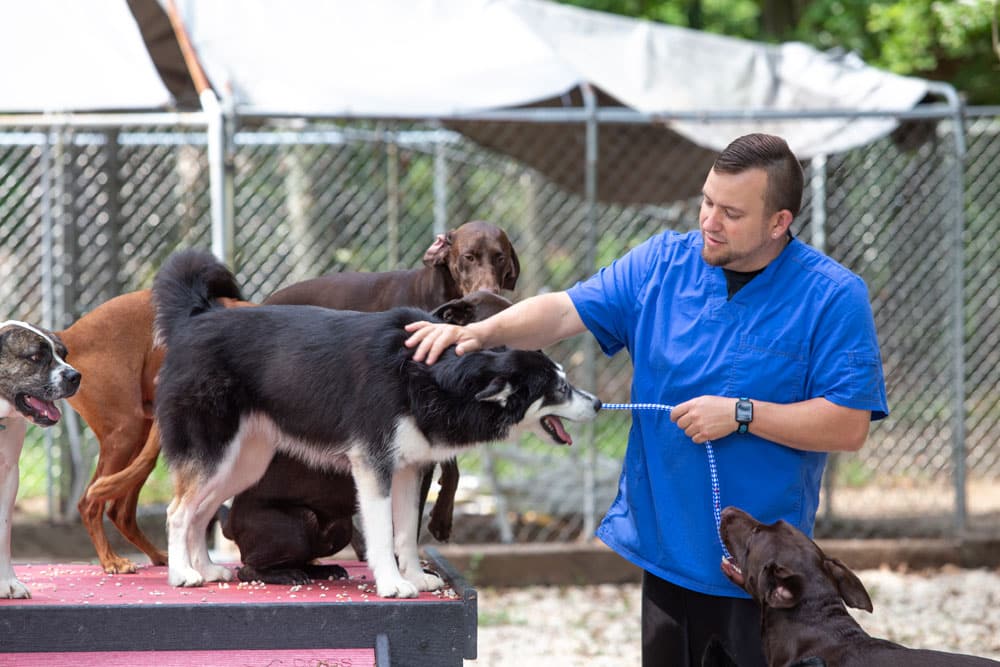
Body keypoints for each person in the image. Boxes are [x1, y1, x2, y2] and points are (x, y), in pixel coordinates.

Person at [404, 133, 889, 666]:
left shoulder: (833, 295)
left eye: (731, 212)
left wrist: (742, 414)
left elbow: (848, 425)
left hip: (764, 579)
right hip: (666, 555)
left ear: (779, 222)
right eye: (706, 201)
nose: (709, 220)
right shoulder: (661, 264)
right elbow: (562, 312)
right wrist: (479, 333)